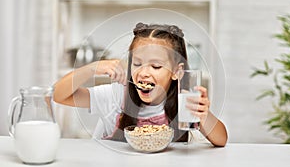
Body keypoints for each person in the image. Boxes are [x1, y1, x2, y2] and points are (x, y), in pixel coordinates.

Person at [53, 22, 228, 147]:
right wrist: (91, 69)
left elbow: (221, 140)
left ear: (177, 72)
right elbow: (59, 95)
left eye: (156, 66)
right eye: (136, 64)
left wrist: (203, 115)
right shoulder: (115, 97)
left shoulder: (183, 103)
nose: (143, 72)